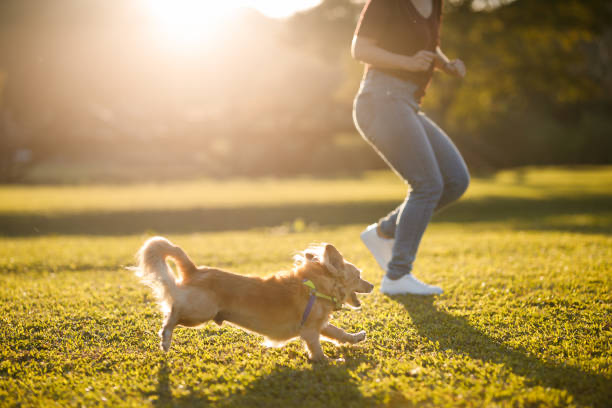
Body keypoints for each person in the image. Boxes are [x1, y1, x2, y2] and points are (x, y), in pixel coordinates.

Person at [352, 0, 470, 295]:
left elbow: (429, 48)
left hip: (407, 101)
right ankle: (397, 276)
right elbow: (359, 49)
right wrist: (407, 62)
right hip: (381, 97)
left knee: (455, 180)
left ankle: (384, 232)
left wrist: (446, 65)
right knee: (427, 184)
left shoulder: (435, 3)